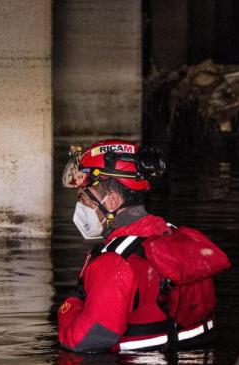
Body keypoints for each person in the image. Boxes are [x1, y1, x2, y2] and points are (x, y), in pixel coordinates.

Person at [57, 139, 229, 353]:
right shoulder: (174, 237)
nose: (81, 207)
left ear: (111, 201)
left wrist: (72, 305)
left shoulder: (114, 262)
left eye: (83, 198)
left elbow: (87, 341)